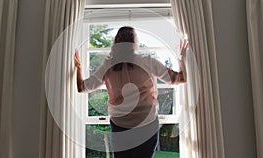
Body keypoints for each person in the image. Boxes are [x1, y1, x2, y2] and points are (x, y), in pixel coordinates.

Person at [74, 26, 188, 158]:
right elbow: (180, 78)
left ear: (116, 44)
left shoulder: (108, 66)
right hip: (147, 124)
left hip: (120, 126)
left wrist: (78, 67)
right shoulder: (148, 62)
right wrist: (182, 59)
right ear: (135, 42)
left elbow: (82, 87)